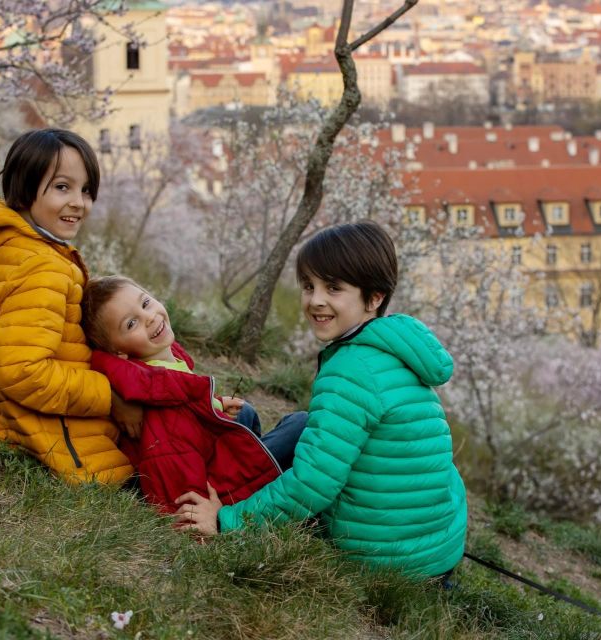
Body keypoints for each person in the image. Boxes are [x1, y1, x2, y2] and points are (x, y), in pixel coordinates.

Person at [176, 220, 467, 581]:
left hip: (381, 560)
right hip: (436, 550)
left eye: (334, 288)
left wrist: (227, 521)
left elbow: (314, 483)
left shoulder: (351, 370)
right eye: (309, 286)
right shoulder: (396, 351)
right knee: (302, 425)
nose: (316, 300)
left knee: (297, 449)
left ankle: (214, 488)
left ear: (374, 298)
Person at [0, 128, 137, 485]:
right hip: (12, 420)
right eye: (63, 187)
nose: (79, 202)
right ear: (26, 188)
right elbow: (23, 372)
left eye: (86, 190)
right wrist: (111, 398)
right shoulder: (42, 266)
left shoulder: (13, 243)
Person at [81, 275, 306, 512]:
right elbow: (174, 462)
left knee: (245, 413)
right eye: (131, 324)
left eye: (145, 303)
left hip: (209, 457)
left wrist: (215, 405)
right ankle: (262, 483)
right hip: (216, 489)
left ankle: (260, 466)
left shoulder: (163, 368)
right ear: (118, 352)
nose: (149, 318)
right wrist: (210, 510)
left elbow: (187, 412)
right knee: (302, 423)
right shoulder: (156, 399)